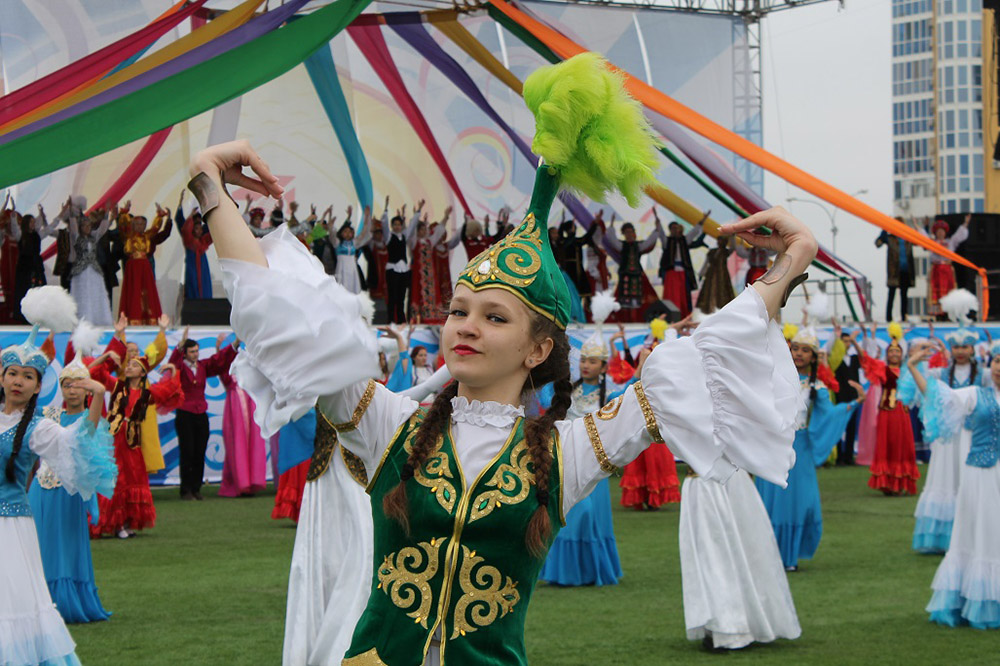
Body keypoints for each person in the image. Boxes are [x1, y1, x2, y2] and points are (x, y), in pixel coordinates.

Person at [187, 52, 815, 663]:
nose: (465, 327)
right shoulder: (388, 428)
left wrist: (793, 260)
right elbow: (275, 309)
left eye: (494, 317)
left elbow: (706, 355)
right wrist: (207, 179)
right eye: (459, 310)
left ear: (538, 348)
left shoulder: (567, 453)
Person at [1, 288, 117, 665]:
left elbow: (77, 443)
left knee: (15, 598)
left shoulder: (37, 428)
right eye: (12, 373)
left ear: (38, 385)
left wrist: (97, 397)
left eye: (28, 376)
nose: (18, 381)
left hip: (11, 527)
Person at [906, 343, 1000, 629]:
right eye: (997, 361)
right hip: (980, 475)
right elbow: (935, 398)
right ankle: (976, 601)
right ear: (990, 364)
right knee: (981, 531)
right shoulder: (975, 394)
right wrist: (913, 366)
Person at [755, 328, 864, 570]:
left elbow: (829, 415)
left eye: (805, 351)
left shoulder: (818, 388)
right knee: (771, 500)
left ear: (814, 357)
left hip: (799, 448)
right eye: (795, 349)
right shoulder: (773, 378)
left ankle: (790, 556)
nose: (799, 354)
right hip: (773, 446)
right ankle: (766, 556)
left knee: (800, 502)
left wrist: (855, 403)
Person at [539, 291, 623, 586]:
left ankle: (590, 571)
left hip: (594, 461)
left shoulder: (610, 396)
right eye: (584, 360)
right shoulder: (567, 391)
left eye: (593, 362)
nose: (586, 365)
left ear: (603, 367)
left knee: (588, 515)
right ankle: (564, 573)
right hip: (565, 459)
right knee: (566, 514)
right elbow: (545, 397)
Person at [27, 356, 113, 624]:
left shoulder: (89, 420)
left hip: (69, 493)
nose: (72, 390)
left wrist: (95, 387)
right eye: (66, 385)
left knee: (65, 547)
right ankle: (37, 603)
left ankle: (66, 603)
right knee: (38, 545)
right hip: (40, 490)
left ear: (86, 388)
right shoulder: (48, 415)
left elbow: (98, 398)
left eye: (77, 385)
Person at [680, 468, 801, 649]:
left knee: (721, 554)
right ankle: (731, 624)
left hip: (717, 481)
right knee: (725, 552)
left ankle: (731, 627)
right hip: (718, 480)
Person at [92, 342, 181, 539]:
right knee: (117, 478)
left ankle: (125, 522)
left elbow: (172, 389)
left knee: (133, 478)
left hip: (132, 441)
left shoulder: (145, 394)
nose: (129, 367)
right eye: (128, 364)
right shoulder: (117, 385)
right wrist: (106, 356)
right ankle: (115, 524)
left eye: (134, 365)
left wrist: (173, 368)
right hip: (115, 438)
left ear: (142, 373)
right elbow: (94, 373)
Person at [904, 328, 981, 553]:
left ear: (972, 349)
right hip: (947, 440)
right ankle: (945, 539)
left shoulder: (985, 374)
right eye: (956, 347)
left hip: (974, 436)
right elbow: (926, 392)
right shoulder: (940, 374)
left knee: (972, 482)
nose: (960, 351)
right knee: (946, 480)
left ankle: (974, 535)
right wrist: (912, 365)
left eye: (965, 346)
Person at [169, 327, 238, 500]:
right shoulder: (179, 368)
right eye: (192, 351)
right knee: (188, 452)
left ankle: (196, 488)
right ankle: (186, 490)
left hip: (201, 414)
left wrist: (235, 344)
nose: (195, 354)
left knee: (200, 451)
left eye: (197, 351)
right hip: (185, 414)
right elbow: (174, 362)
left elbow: (219, 360)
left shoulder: (202, 366)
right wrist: (179, 347)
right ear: (185, 353)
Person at [860, 323, 920, 495]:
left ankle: (901, 481)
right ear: (887, 355)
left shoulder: (908, 371)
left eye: (897, 351)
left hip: (902, 412)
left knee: (903, 445)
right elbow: (866, 360)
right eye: (891, 351)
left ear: (902, 354)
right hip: (887, 412)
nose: (894, 354)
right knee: (888, 444)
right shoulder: (883, 370)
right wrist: (862, 342)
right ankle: (887, 483)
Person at [218, 337, 267, 498]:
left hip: (250, 402)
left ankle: (252, 481)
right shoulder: (230, 371)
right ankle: (240, 482)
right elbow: (222, 371)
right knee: (237, 441)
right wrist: (219, 350)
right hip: (236, 405)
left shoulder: (252, 365)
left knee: (253, 441)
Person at [597, 209, 661, 319]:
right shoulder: (622, 246)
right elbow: (612, 239)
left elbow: (650, 241)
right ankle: (624, 318)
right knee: (623, 299)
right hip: (625, 275)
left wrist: (657, 227)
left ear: (634, 233)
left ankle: (641, 318)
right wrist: (611, 223)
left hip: (637, 275)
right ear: (624, 234)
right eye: (627, 232)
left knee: (642, 297)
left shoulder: (639, 246)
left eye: (631, 232)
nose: (629, 234)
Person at [117, 202, 164, 325]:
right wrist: (124, 213)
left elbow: (155, 228)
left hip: (144, 266)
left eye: (143, 224)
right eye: (137, 224)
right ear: (132, 225)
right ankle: (133, 318)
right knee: (134, 291)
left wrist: (159, 215)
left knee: (147, 291)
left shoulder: (147, 236)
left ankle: (148, 318)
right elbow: (122, 227)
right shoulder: (128, 236)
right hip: (133, 266)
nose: (140, 226)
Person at [14, 205, 59, 322]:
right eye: (31, 222)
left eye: (34, 222)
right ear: (26, 223)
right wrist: (13, 215)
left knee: (39, 292)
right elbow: (14, 227)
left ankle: (39, 315)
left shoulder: (37, 235)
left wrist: (42, 213)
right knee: (24, 291)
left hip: (36, 268)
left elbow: (50, 228)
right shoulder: (20, 236)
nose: (34, 224)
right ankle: (22, 317)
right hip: (24, 269)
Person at [68, 207, 113, 326]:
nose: (87, 228)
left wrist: (106, 215)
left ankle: (97, 319)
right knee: (82, 294)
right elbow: (73, 229)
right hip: (81, 272)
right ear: (80, 227)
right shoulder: (76, 237)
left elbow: (102, 230)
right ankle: (81, 319)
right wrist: (72, 215)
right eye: (84, 226)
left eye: (89, 226)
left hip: (94, 270)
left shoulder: (94, 238)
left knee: (95, 293)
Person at [657, 211, 705, 318]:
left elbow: (693, 233)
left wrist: (702, 221)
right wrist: (658, 223)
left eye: (676, 228)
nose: (675, 230)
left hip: (683, 273)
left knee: (683, 295)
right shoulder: (667, 241)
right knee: (671, 295)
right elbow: (661, 234)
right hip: (671, 273)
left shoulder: (684, 240)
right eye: (673, 228)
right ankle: (669, 315)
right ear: (670, 230)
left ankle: (684, 315)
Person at [922, 215, 971, 318]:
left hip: (947, 271)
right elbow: (923, 238)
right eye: (938, 231)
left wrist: (966, 223)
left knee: (949, 292)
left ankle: (948, 313)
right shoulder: (932, 243)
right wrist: (921, 226)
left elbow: (959, 235)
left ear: (945, 232)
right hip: (936, 271)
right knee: (937, 293)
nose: (940, 233)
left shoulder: (950, 242)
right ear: (936, 232)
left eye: (942, 231)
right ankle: (938, 314)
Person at [409, 204, 449, 324]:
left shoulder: (429, 242)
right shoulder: (413, 242)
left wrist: (446, 217)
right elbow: (410, 230)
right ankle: (418, 318)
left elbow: (438, 231)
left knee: (432, 295)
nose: (423, 231)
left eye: (423, 229)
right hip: (419, 275)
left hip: (430, 276)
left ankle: (433, 318)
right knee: (418, 295)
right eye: (420, 229)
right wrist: (417, 213)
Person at [875, 220, 917, 322]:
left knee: (904, 295)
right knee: (891, 294)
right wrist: (884, 229)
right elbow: (878, 243)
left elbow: (920, 242)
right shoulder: (890, 238)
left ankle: (904, 317)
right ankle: (888, 318)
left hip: (906, 271)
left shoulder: (908, 239)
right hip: (894, 271)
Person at [178, 191, 214, 300]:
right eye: (196, 227)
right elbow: (184, 228)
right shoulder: (189, 240)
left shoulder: (203, 241)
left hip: (203, 265)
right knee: (192, 284)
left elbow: (212, 230)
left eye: (200, 227)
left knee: (204, 284)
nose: (198, 230)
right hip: (192, 264)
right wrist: (181, 204)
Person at [695, 234, 736, 314]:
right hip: (711, 274)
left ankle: (722, 309)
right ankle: (710, 308)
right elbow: (706, 263)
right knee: (710, 290)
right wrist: (701, 274)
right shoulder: (712, 251)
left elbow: (733, 248)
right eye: (719, 240)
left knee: (722, 290)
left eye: (722, 241)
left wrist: (732, 237)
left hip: (722, 275)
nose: (720, 242)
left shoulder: (725, 252)